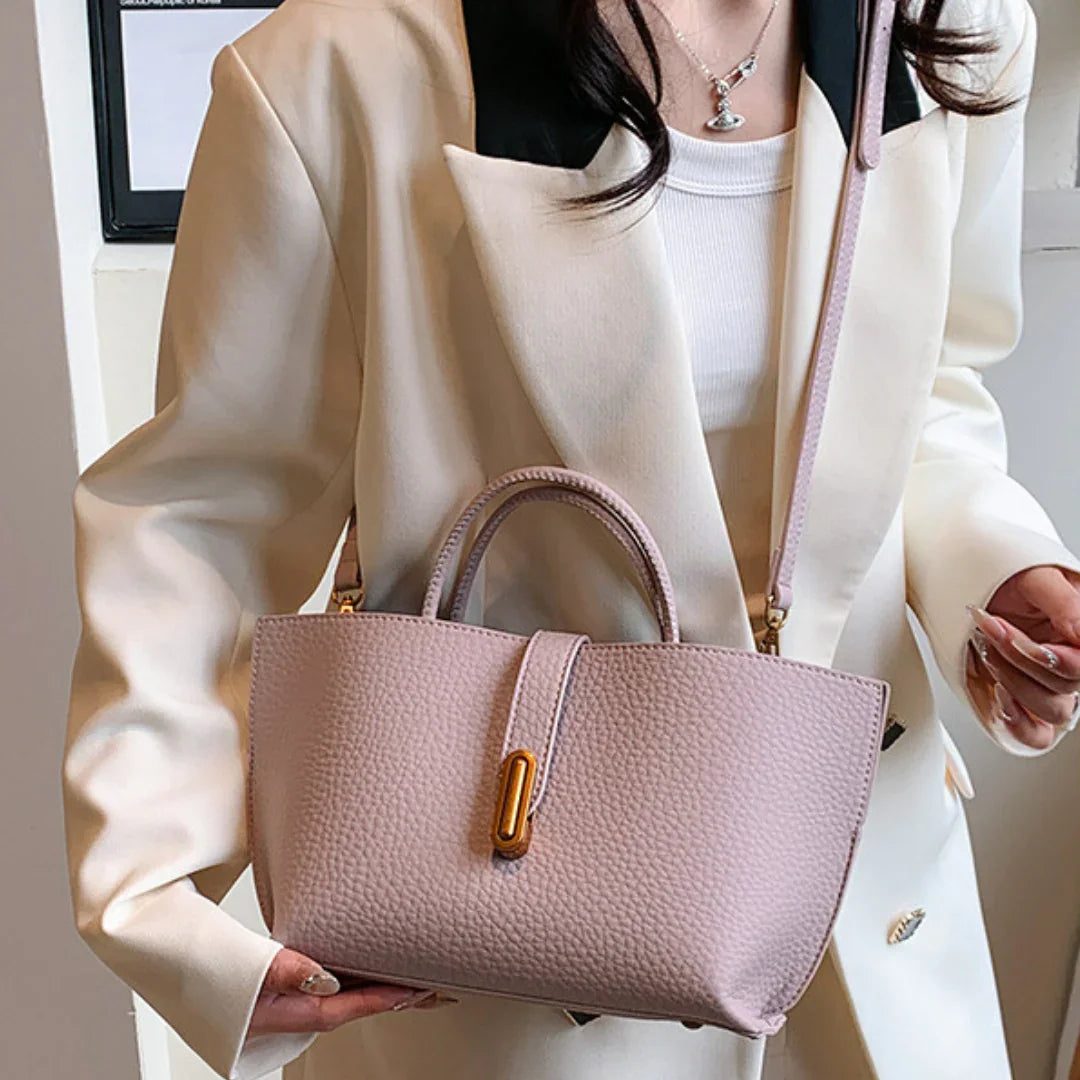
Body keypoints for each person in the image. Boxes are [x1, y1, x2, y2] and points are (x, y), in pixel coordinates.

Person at [61, 0, 1080, 1076]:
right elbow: (209, 508)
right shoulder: (337, 68)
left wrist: (997, 562)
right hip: (516, 939)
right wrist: (161, 901)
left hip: (872, 930)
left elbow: (930, 392)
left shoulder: (946, 28)